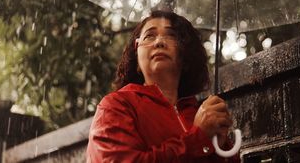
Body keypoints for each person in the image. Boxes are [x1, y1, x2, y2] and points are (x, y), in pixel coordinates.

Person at [86, 10, 240, 162]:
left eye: (171, 35)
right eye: (149, 36)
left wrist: (223, 151)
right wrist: (198, 138)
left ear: (185, 56)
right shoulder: (115, 106)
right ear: (137, 54)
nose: (159, 42)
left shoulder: (201, 113)